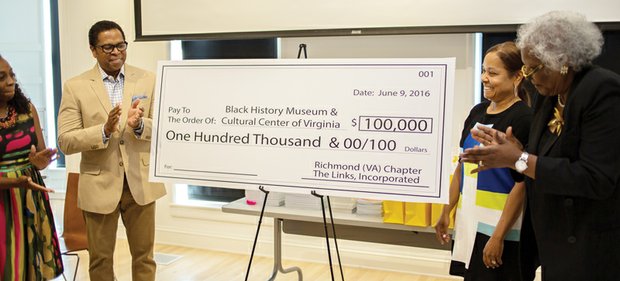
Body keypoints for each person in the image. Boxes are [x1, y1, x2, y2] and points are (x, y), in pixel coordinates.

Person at [461, 11, 620, 281]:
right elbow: (535, 160)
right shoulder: (551, 96)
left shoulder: (603, 91)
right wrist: (510, 150)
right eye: (525, 68)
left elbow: (595, 178)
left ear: (564, 62)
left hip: (591, 247)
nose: (529, 76)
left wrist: (519, 159)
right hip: (554, 243)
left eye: (534, 68)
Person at [57, 20, 166, 281]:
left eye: (120, 45)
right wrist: (103, 130)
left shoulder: (147, 79)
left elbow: (164, 126)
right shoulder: (76, 86)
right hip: (99, 185)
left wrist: (140, 125)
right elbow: (66, 141)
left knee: (145, 258)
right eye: (107, 47)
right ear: (93, 50)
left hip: (139, 184)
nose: (116, 52)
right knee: (101, 261)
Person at [434, 41, 533, 280]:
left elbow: (523, 183)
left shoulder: (525, 118)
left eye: (493, 73)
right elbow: (462, 165)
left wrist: (498, 236)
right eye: (483, 71)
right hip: (470, 222)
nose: (484, 78)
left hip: (504, 229)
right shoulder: (477, 112)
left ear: (517, 76)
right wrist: (447, 210)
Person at [0, 54, 63, 280]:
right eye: (2, 77)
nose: (10, 82)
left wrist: (40, 162)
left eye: (12, 75)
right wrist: (15, 181)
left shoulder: (26, 108)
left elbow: (41, 154)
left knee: (30, 265)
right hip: (3, 200)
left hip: (29, 196)